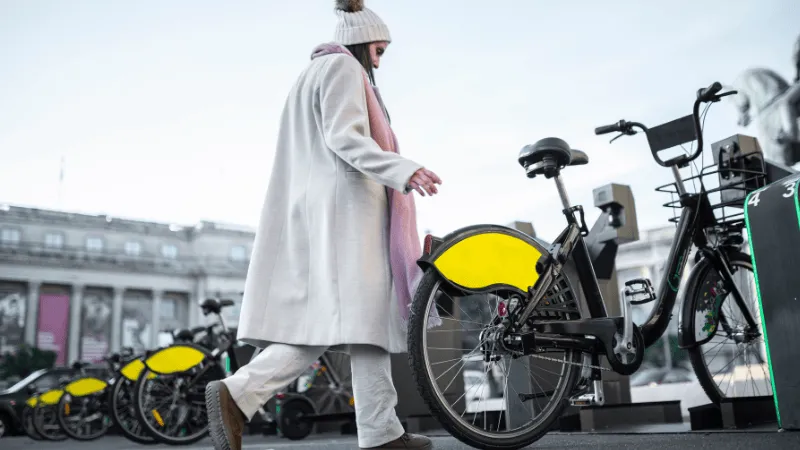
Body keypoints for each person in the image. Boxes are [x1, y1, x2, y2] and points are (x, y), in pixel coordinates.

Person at [204, 1, 441, 449]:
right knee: (359, 319)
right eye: (378, 48)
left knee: (351, 323)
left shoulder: (309, 75)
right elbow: (344, 135)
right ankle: (240, 393)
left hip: (323, 210)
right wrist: (401, 169)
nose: (379, 59)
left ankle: (380, 431)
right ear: (361, 39)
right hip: (347, 211)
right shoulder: (342, 68)